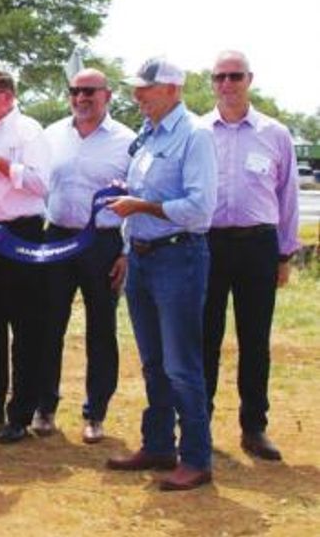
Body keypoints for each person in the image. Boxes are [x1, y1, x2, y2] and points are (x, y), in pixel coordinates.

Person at [106, 57, 217, 491]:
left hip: (179, 257)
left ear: (172, 89)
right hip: (144, 256)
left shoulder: (196, 136)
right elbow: (148, 194)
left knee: (182, 365)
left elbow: (199, 208)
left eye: (145, 89)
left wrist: (142, 206)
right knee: (154, 362)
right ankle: (157, 444)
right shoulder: (148, 135)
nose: (137, 96)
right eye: (136, 89)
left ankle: (196, 458)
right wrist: (129, 199)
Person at [202, 50, 300, 461]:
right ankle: (196, 424)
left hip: (258, 245)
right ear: (212, 82)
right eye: (220, 77)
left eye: (235, 76)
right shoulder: (198, 131)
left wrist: (284, 253)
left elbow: (288, 196)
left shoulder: (274, 134)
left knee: (254, 340)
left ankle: (254, 427)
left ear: (250, 79)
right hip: (207, 245)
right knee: (203, 338)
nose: (227, 84)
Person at [37, 68, 134, 444]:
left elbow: (136, 199)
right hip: (58, 238)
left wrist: (125, 252)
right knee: (49, 326)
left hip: (104, 244)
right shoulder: (52, 136)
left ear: (107, 95)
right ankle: (45, 407)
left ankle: (96, 413)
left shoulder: (127, 141)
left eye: (90, 91)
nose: (81, 98)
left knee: (101, 331)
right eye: (75, 91)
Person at [0, 68, 51, 444]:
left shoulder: (29, 131)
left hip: (23, 233)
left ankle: (21, 412)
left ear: (7, 96)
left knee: (26, 326)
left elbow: (40, 184)